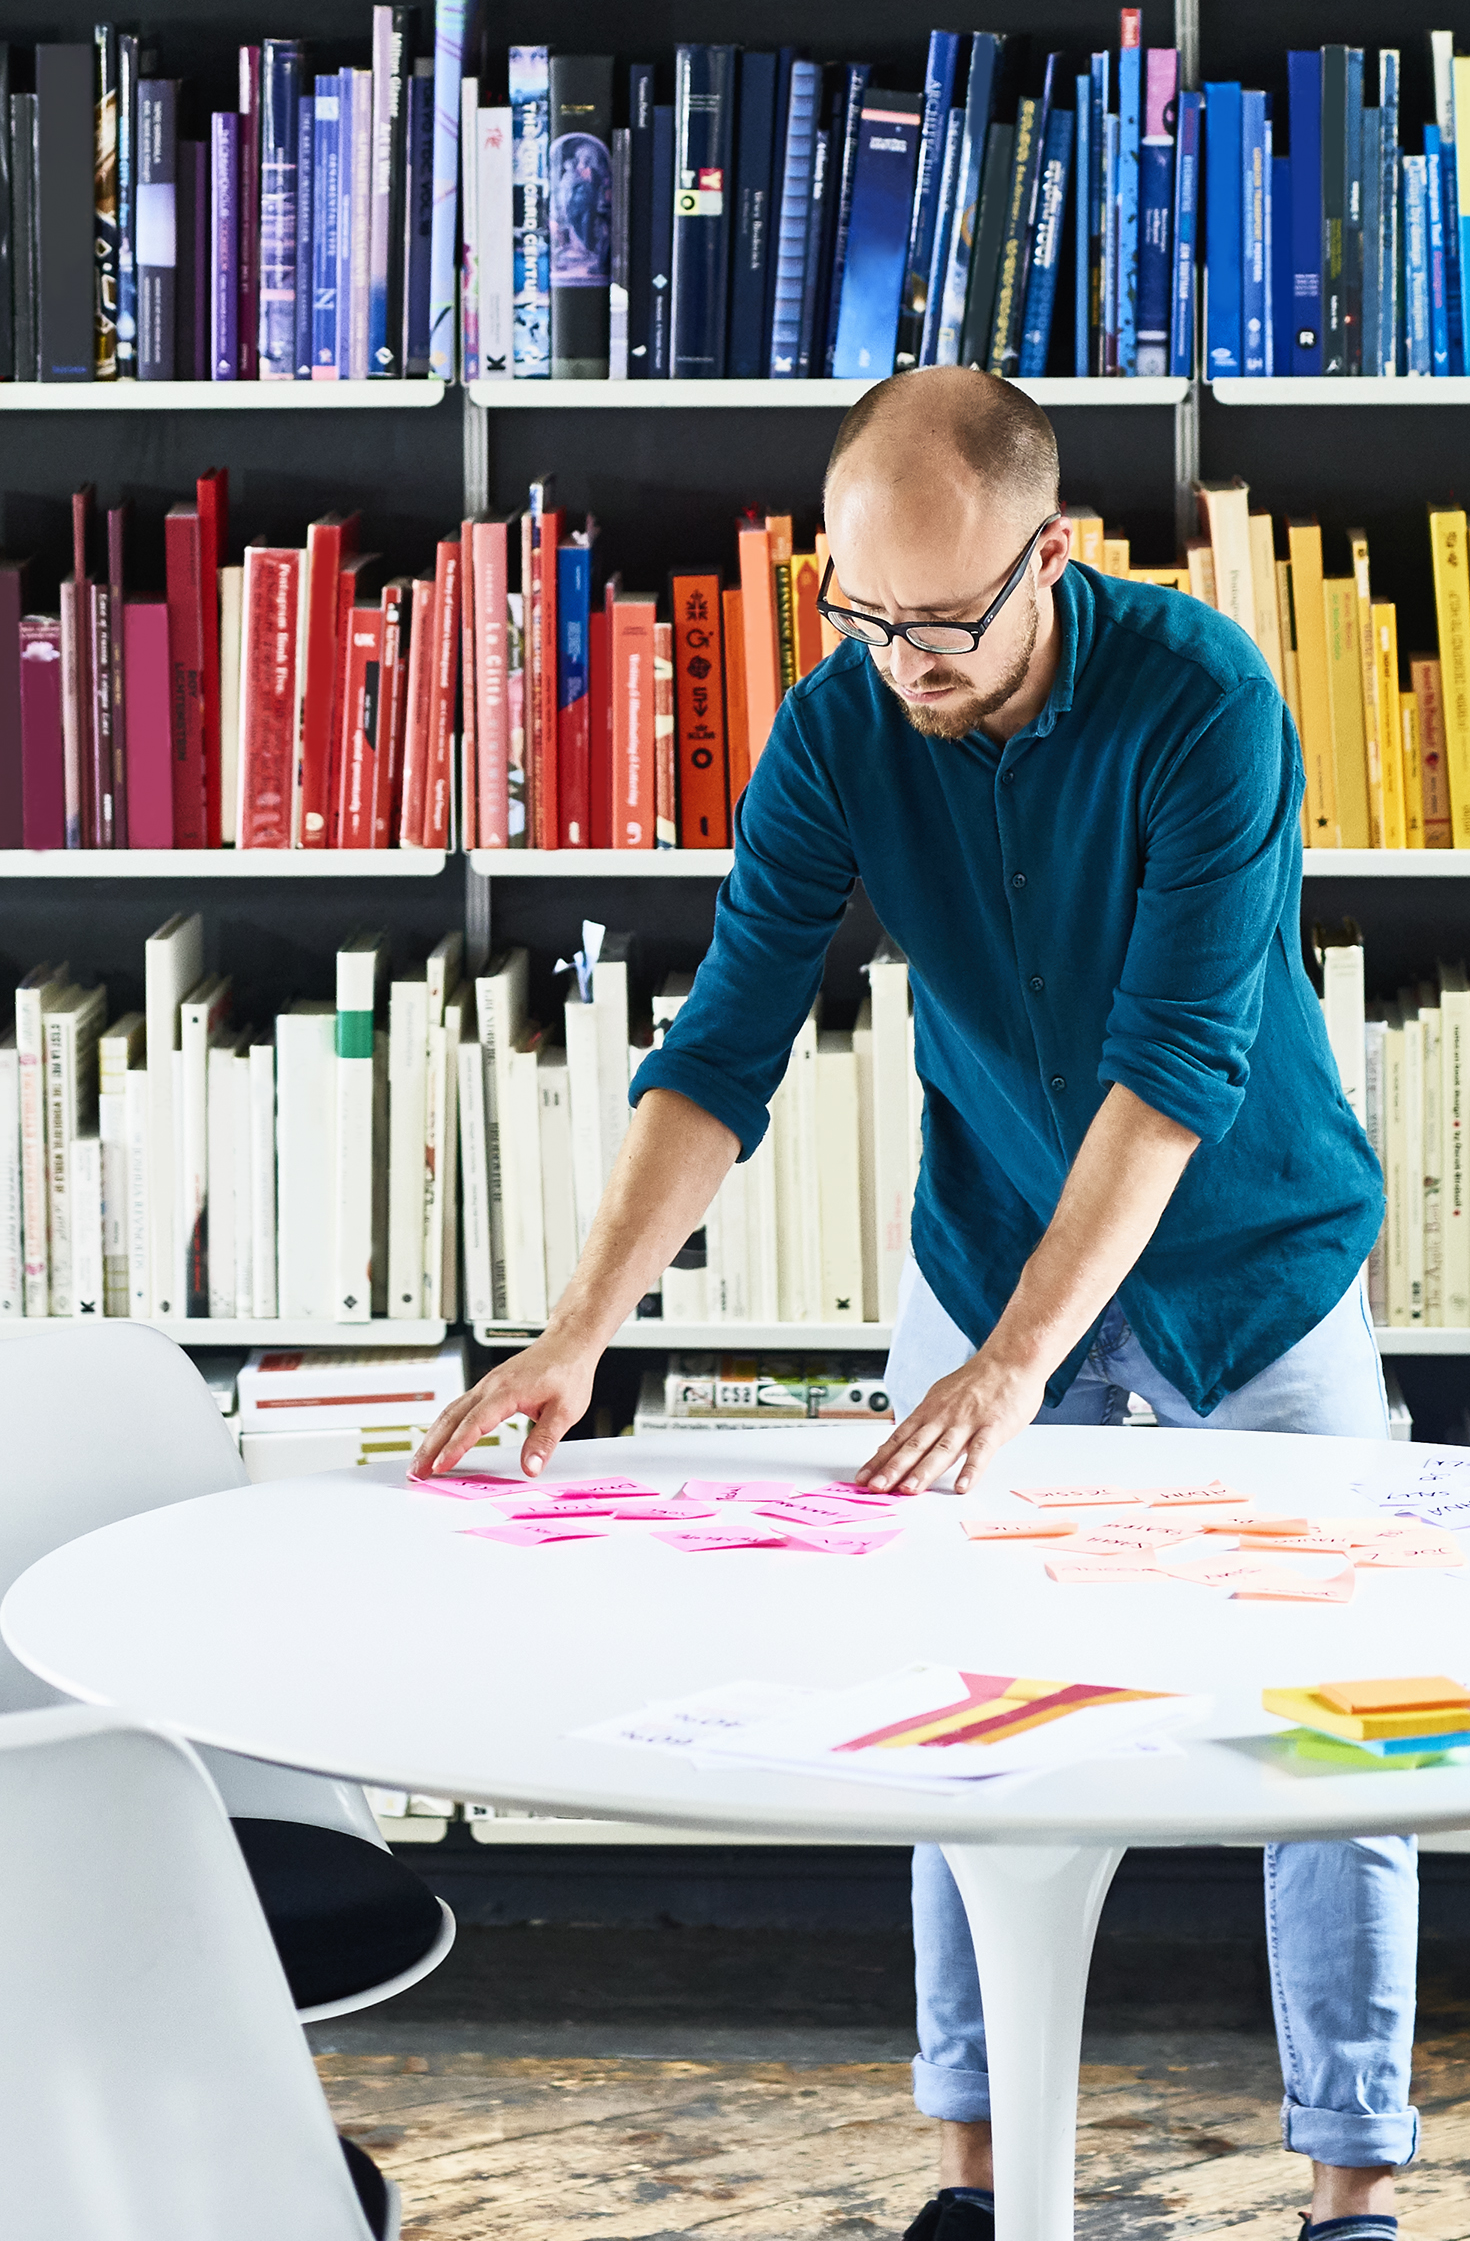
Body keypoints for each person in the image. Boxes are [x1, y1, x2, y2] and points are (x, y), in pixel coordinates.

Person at [413, 366, 1411, 2241]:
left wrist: (1025, 1366)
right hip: (986, 1256)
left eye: (943, 622)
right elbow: (723, 1047)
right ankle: (973, 2175)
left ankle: (1353, 2188)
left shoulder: (1206, 701)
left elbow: (1180, 1062)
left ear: (1053, 555)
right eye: (863, 615)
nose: (902, 661)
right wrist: (576, 1334)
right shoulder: (835, 729)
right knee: (952, 1705)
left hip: (1251, 1268)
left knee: (1336, 1722)